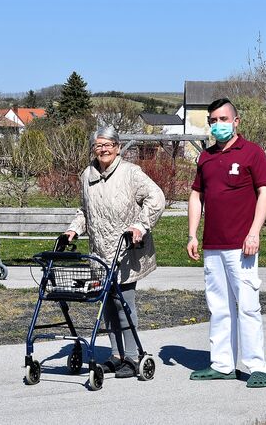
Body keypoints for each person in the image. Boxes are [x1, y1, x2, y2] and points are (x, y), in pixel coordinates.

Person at [64, 125, 165, 379]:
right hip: (99, 250)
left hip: (126, 249)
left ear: (118, 147)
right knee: (106, 305)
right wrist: (73, 230)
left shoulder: (131, 173)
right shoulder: (87, 175)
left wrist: (141, 225)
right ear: (93, 149)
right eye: (98, 145)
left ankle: (132, 355)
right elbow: (84, 211)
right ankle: (116, 355)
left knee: (124, 303)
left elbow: (157, 197)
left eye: (108, 144)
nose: (104, 149)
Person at [187, 98, 266, 388]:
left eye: (224, 119)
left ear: (237, 121)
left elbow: (265, 192)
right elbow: (196, 196)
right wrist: (192, 234)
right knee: (219, 307)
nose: (218, 125)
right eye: (213, 120)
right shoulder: (206, 157)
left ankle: (256, 366)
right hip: (213, 246)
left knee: (248, 305)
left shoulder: (252, 153)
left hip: (242, 245)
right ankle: (223, 364)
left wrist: (254, 232)